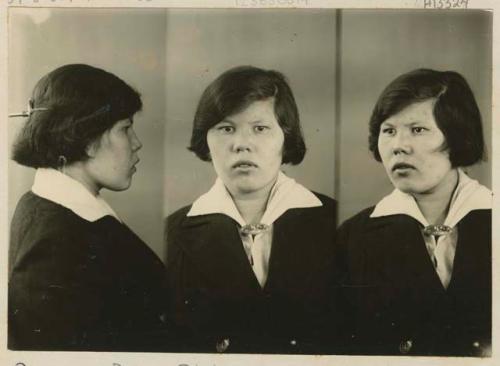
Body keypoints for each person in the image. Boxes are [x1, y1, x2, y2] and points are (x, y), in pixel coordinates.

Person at [165, 66, 338, 354]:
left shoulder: (336, 223)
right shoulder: (171, 233)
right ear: (205, 139)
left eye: (260, 128)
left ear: (286, 136)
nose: (242, 144)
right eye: (226, 128)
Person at [8, 64, 172, 351]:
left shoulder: (48, 206)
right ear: (85, 137)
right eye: (125, 129)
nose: (137, 143)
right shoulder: (55, 240)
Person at [336, 69, 491, 356]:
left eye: (418, 130)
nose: (398, 146)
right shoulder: (351, 239)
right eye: (389, 131)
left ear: (458, 136)